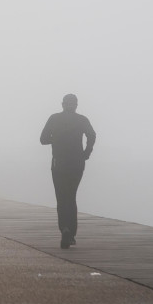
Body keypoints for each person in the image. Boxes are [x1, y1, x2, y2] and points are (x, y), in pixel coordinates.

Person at [40, 93, 96, 249]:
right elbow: (92, 135)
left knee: (62, 197)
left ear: (63, 104)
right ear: (76, 105)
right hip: (77, 163)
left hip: (59, 163)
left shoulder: (54, 118)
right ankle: (70, 233)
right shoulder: (82, 120)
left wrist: (57, 138)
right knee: (71, 196)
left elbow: (43, 139)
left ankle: (64, 229)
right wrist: (86, 153)